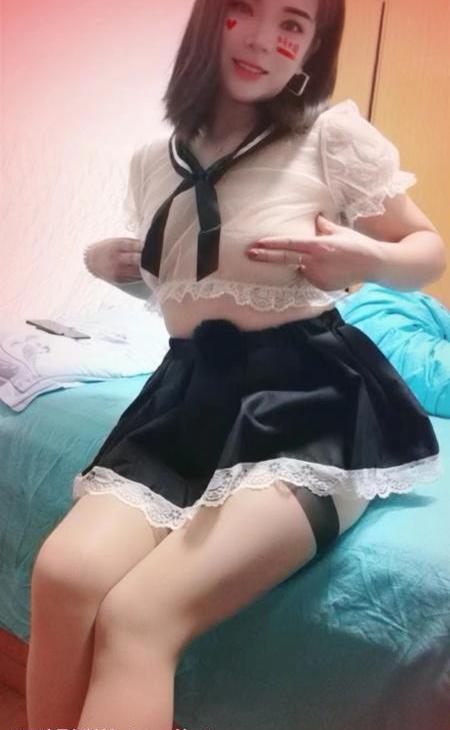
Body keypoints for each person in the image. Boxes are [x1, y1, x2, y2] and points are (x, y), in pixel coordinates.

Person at [26, 1, 446, 729]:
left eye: (293, 23)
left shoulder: (330, 137)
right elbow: (192, 291)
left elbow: (427, 249)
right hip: (186, 396)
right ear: (208, 19)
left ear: (312, 46)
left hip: (309, 402)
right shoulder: (153, 162)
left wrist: (366, 258)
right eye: (244, 9)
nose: (263, 38)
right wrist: (121, 270)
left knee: (138, 618)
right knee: (62, 577)